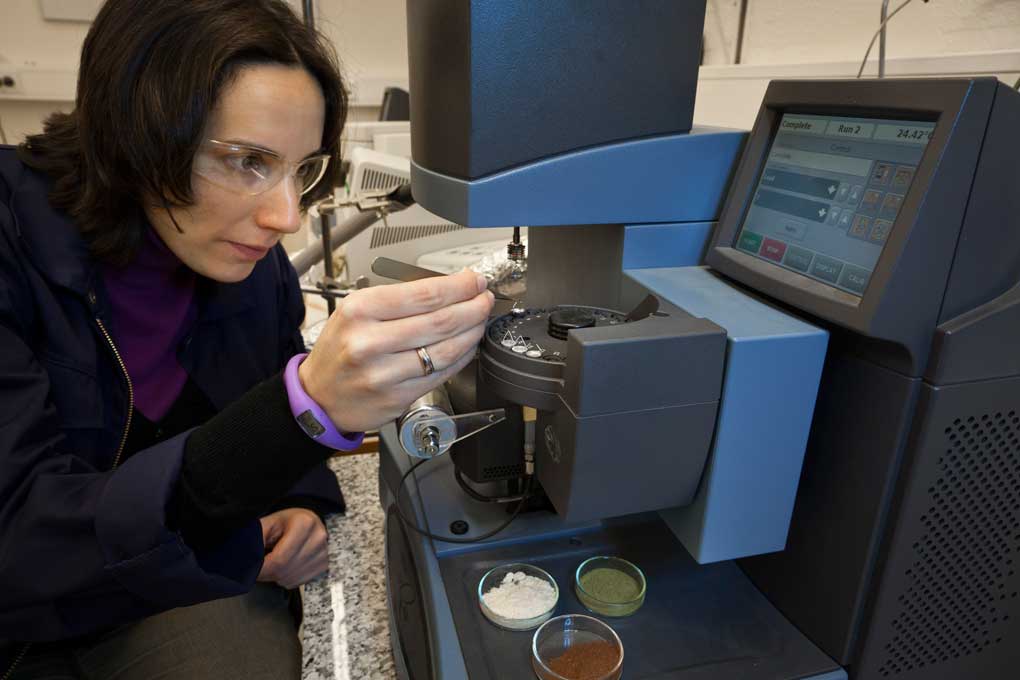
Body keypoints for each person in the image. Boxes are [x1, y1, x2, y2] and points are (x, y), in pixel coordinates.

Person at [0, 0, 493, 678]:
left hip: (177, 574)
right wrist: (302, 410)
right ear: (136, 131)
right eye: (246, 162)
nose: (285, 216)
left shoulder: (248, 270)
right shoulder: (12, 240)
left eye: (301, 170)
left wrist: (298, 498)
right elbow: (21, 539)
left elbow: (268, 422)